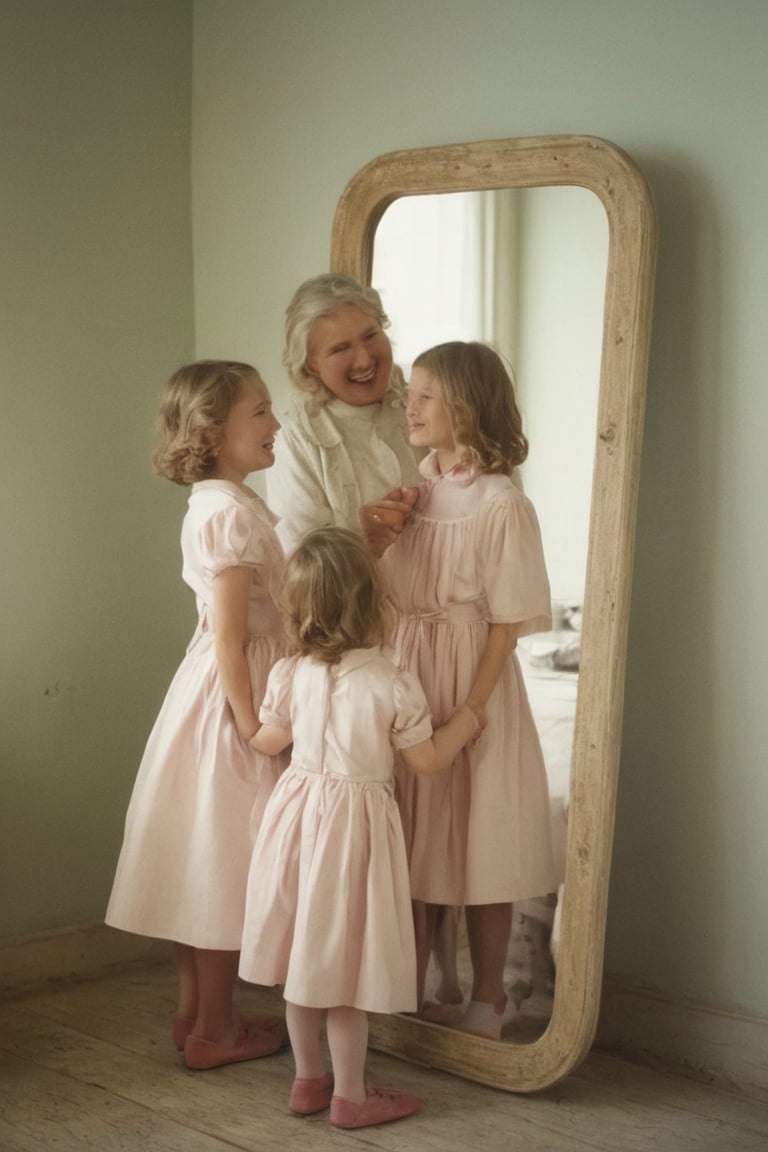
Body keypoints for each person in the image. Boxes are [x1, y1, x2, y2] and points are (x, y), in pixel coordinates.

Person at [238, 527, 482, 1129]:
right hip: (354, 832)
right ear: (374, 601)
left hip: (295, 821)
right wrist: (468, 722)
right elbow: (424, 760)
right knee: (344, 969)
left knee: (302, 960)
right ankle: (351, 1094)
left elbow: (269, 739)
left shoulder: (292, 676)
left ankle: (307, 1079)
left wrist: (240, 716)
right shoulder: (391, 679)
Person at [362, 341, 556, 1040]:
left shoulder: (502, 504)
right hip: (411, 672)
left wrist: (472, 709)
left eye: (424, 397)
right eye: (409, 393)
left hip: (475, 678)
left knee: (483, 839)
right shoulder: (412, 496)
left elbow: (506, 626)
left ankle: (489, 999)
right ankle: (409, 986)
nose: (407, 407)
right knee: (413, 836)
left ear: (465, 408)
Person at [106, 360, 290, 1070]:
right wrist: (250, 722)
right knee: (221, 861)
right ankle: (216, 1027)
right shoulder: (231, 516)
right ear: (215, 433)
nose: (276, 425)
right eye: (262, 412)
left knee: (198, 857)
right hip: (235, 692)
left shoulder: (221, 504)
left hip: (211, 687)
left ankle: (194, 1010)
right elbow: (231, 631)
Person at [268, 273, 424, 555]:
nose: (364, 360)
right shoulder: (295, 434)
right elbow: (303, 567)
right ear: (311, 364)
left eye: (371, 336)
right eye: (340, 349)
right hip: (355, 599)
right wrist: (366, 542)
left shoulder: (425, 400)